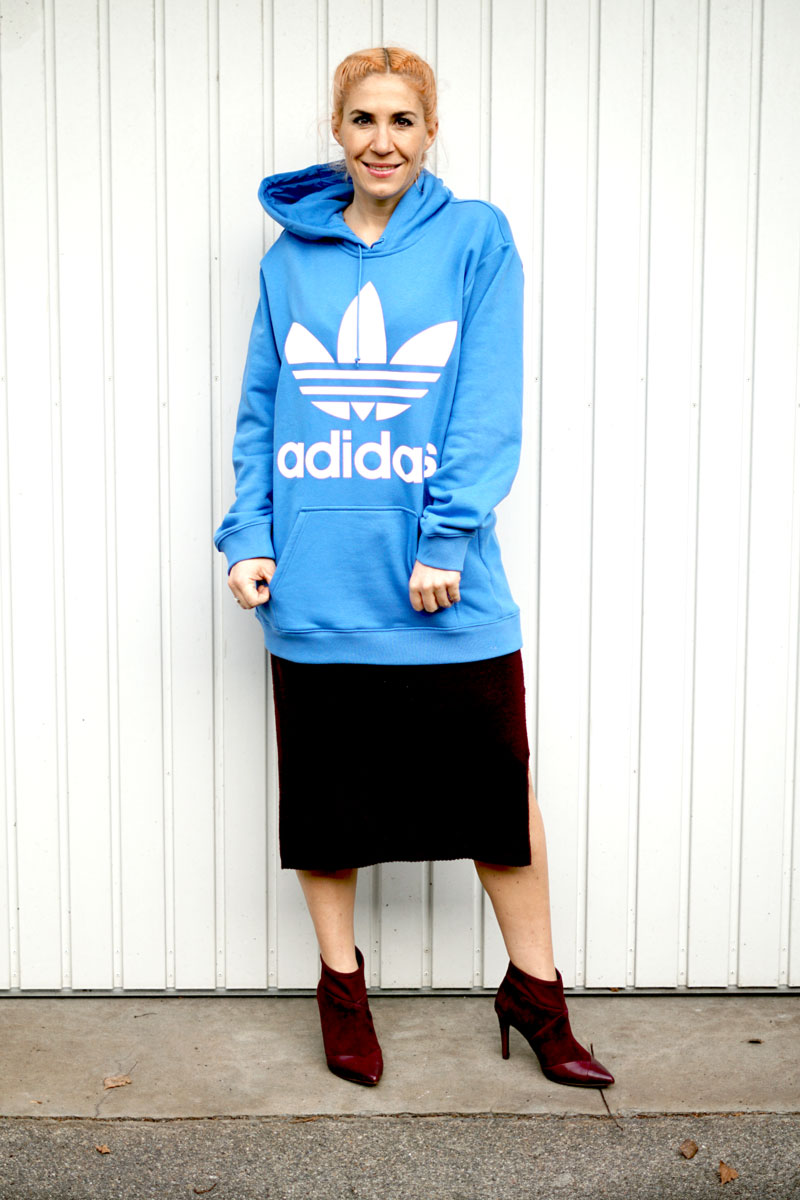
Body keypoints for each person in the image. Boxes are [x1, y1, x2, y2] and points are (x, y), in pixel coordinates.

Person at [214, 46, 614, 1091]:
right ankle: (341, 990)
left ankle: (535, 993)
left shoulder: (475, 237)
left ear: (430, 131)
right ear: (336, 131)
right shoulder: (289, 261)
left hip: (438, 578)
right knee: (327, 807)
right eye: (363, 120)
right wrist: (247, 537)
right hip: (316, 581)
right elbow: (262, 408)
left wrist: (446, 537)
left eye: (401, 120)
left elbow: (485, 400)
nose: (381, 141)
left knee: (496, 798)